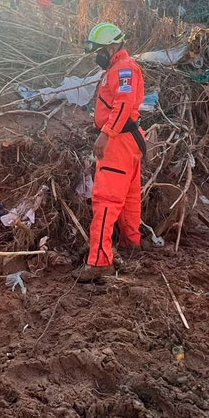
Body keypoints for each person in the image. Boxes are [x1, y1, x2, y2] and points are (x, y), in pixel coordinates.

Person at [75, 22, 147, 281]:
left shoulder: (123, 69)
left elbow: (123, 103)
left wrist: (106, 133)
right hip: (130, 140)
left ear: (112, 47)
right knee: (129, 197)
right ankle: (131, 243)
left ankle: (99, 261)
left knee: (106, 200)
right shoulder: (121, 68)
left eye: (100, 51)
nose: (97, 56)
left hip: (119, 141)